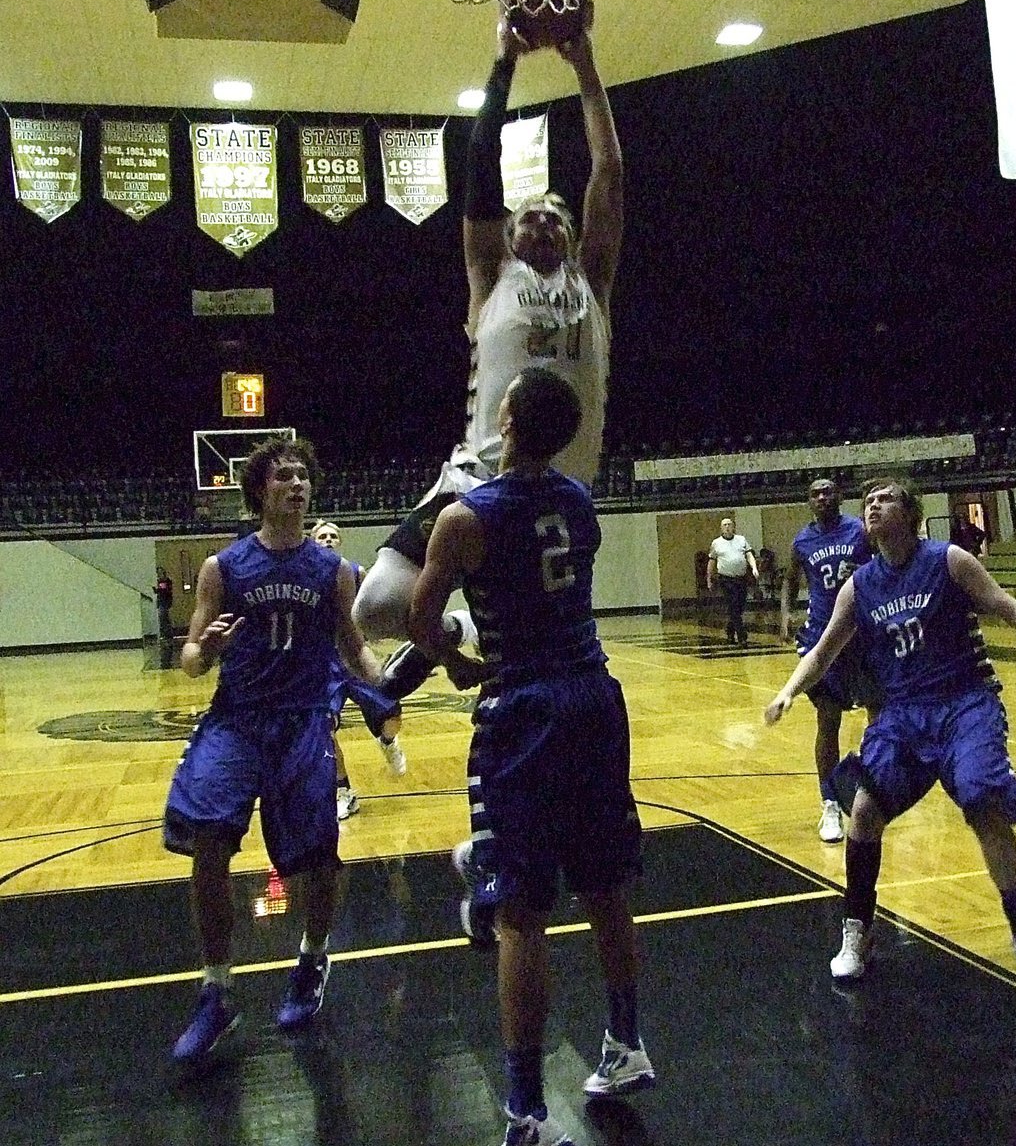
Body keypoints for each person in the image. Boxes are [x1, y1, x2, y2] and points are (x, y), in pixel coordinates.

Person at [408, 369, 653, 1146]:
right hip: (594, 693)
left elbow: (419, 620)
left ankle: (524, 1109)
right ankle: (626, 1043)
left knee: (520, 913)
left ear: (505, 419)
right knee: (607, 884)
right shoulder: (580, 502)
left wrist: (453, 660)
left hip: (527, 705)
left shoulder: (463, 518)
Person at [353, 9, 624, 710]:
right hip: (479, 476)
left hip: (562, 492)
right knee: (377, 605)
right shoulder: (492, 279)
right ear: (507, 234)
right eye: (526, 214)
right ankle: (450, 627)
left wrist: (583, 64)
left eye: (554, 215)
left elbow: (610, 170)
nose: (539, 220)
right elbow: (480, 169)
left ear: (571, 235)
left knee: (547, 657)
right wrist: (501, 65)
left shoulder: (590, 285)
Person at [764, 478, 1016, 997]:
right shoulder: (860, 585)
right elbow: (824, 650)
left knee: (984, 804)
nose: (873, 505)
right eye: (868, 501)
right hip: (903, 715)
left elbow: (1009, 608)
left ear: (912, 514)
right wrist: (786, 693)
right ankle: (858, 931)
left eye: (885, 498)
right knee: (865, 810)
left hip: (965, 704)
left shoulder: (949, 561)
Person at [164, 437, 383, 1067]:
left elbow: (352, 645)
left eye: (303, 476)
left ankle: (313, 959)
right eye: (284, 475)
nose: (297, 484)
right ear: (259, 490)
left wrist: (381, 677)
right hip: (237, 721)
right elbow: (189, 661)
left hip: (302, 724)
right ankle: (216, 990)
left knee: (316, 859)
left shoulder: (332, 571)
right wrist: (205, 648)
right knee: (207, 842)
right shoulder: (223, 568)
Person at [779, 478, 881, 842]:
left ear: (839, 496)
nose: (822, 497)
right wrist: (786, 613)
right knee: (828, 720)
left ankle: (870, 789)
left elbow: (883, 564)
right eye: (815, 493)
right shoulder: (802, 542)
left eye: (828, 491)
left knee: (879, 717)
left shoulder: (860, 531)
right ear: (808, 501)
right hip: (823, 637)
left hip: (863, 634)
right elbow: (790, 580)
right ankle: (830, 804)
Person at [310, 519, 407, 820]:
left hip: (354, 659)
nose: (327, 539)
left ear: (339, 542)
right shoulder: (304, 575)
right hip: (323, 663)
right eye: (322, 536)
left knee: (391, 715)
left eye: (332, 536)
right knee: (325, 730)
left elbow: (367, 613)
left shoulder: (354, 572)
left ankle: (387, 740)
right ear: (312, 541)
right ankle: (345, 792)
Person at [707, 516, 759, 646]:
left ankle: (730, 629)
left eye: (729, 524)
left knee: (739, 607)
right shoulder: (716, 543)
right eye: (724, 525)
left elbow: (749, 555)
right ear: (721, 528)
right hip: (726, 579)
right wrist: (709, 578)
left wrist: (754, 568)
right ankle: (742, 636)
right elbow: (711, 562)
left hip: (741, 578)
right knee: (733, 606)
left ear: (733, 527)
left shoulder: (741, 540)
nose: (727, 527)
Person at [154, 567, 174, 642]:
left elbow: (165, 590)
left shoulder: (166, 581)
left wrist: (158, 590)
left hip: (165, 601)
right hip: (161, 601)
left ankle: (167, 634)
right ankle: (166, 634)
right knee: (164, 618)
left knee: (164, 617)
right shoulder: (159, 581)